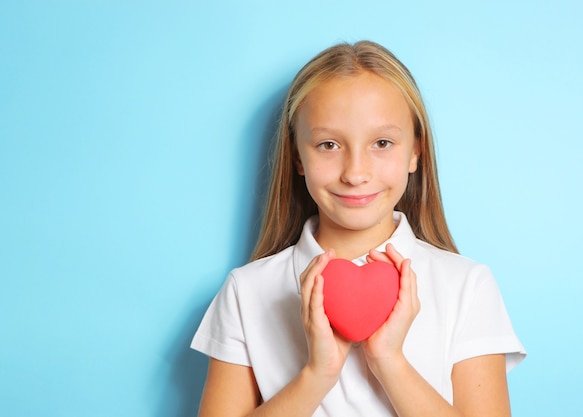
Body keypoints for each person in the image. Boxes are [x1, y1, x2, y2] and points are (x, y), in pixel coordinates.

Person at [191, 40, 525, 417]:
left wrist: (389, 361)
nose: (355, 174)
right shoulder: (246, 291)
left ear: (415, 152)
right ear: (297, 156)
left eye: (382, 143)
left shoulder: (467, 286)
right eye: (329, 144)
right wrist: (318, 374)